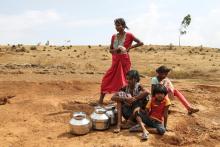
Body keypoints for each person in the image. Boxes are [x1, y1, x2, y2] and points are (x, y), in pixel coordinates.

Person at [98, 18, 144, 104]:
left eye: (118, 25)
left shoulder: (129, 35)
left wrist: (129, 48)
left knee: (125, 81)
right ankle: (100, 101)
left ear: (123, 26)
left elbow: (141, 43)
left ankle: (125, 101)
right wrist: (115, 51)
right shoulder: (113, 36)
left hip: (124, 61)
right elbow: (110, 50)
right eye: (116, 25)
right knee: (106, 79)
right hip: (115, 61)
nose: (117, 27)